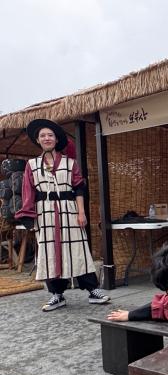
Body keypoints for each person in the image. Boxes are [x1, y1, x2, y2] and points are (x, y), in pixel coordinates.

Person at [16, 118, 110, 311]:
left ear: (56, 139)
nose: (47, 138)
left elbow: (78, 188)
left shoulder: (70, 163)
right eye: (43, 135)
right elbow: (28, 191)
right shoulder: (32, 165)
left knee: (78, 248)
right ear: (38, 140)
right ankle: (57, 295)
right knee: (50, 251)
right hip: (45, 212)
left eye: (50, 135)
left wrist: (81, 212)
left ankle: (93, 290)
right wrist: (28, 214)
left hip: (69, 210)